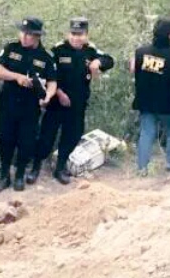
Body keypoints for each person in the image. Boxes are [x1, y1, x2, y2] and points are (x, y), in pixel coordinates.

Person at [28, 17, 114, 185]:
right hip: (56, 104)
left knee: (72, 137)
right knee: (46, 138)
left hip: (78, 104)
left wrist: (98, 61)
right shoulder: (58, 50)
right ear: (68, 34)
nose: (76, 38)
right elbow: (47, 75)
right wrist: (59, 93)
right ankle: (35, 168)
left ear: (86, 35)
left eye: (80, 34)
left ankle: (60, 168)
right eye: (73, 34)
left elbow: (110, 60)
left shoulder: (90, 51)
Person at [0, 17, 57, 192]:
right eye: (23, 32)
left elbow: (52, 82)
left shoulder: (46, 57)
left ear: (37, 36)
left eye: (29, 34)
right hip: (8, 103)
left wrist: (48, 96)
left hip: (30, 107)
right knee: (5, 139)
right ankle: (4, 175)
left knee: (26, 141)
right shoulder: (10, 48)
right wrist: (17, 77)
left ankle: (20, 175)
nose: (24, 37)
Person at [130, 18, 170, 173]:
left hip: (146, 101)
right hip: (168, 104)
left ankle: (142, 168)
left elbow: (133, 70)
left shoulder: (140, 52)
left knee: (146, 132)